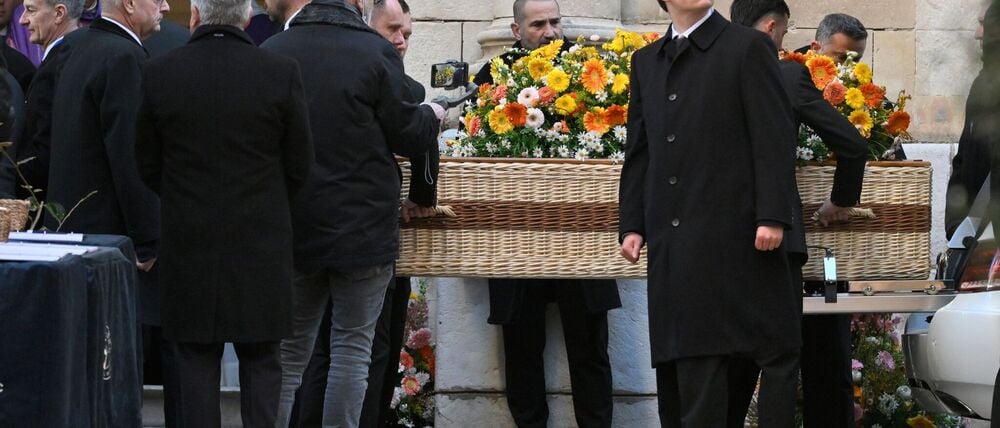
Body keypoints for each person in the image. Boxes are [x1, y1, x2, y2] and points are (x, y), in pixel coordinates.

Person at [261, 0, 444, 425]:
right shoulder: (374, 53)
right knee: (351, 353)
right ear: (357, 5)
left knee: (288, 355)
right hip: (363, 232)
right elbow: (408, 132)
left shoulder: (272, 50)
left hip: (295, 228)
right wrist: (432, 115)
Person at [619, 0, 799, 425]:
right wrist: (633, 223)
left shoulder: (748, 46)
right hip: (673, 240)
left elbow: (773, 135)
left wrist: (771, 214)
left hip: (734, 236)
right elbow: (639, 149)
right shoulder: (646, 60)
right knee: (682, 367)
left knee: (724, 363)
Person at [135, 0, 313, 423]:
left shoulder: (160, 73)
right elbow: (300, 165)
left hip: (189, 241)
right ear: (247, 18)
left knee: (193, 363)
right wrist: (266, 204)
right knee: (263, 363)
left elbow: (145, 162)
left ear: (195, 16)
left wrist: (182, 199)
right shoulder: (280, 73)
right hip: (261, 243)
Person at [472, 1, 621, 427]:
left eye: (556, 21)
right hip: (517, 236)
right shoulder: (495, 76)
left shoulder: (591, 73)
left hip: (582, 234)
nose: (551, 31)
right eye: (538, 24)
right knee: (521, 347)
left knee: (590, 346)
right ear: (518, 31)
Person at [727, 1, 869, 427]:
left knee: (729, 361)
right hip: (776, 241)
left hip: (715, 241)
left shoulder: (703, 70)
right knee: (780, 359)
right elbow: (853, 145)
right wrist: (840, 200)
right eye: (785, 33)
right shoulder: (786, 73)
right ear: (772, 27)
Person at [9, 0, 81, 201]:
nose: (22, 20)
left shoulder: (53, 70)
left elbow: (42, 153)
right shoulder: (78, 57)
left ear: (59, 13)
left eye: (31, 10)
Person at [947, 0, 1000, 240]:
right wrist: (955, 223)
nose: (978, 34)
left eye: (984, 24)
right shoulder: (982, 84)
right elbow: (964, 157)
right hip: (974, 233)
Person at [795, 13, 868, 63]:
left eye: (856, 59)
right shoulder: (789, 79)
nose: (851, 68)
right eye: (842, 58)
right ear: (816, 49)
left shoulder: (860, 77)